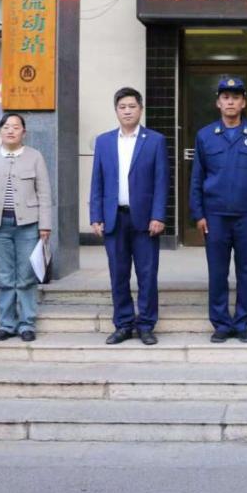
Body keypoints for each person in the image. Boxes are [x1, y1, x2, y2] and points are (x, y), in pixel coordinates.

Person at [190, 77, 247, 343]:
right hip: (215, 216)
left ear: (243, 102)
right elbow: (197, 178)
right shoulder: (205, 136)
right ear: (218, 102)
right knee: (217, 272)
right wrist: (198, 214)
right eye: (226, 97)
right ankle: (222, 324)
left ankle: (243, 323)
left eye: (236, 97)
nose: (230, 102)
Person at [90, 87, 169, 346]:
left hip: (145, 220)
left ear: (141, 109)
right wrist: (96, 215)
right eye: (122, 107)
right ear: (116, 110)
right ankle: (123, 324)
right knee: (118, 274)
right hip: (114, 218)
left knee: (147, 275)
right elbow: (97, 181)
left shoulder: (155, 140)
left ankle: (146, 325)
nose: (127, 111)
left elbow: (161, 181)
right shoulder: (104, 141)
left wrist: (159, 215)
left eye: (132, 106)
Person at [0, 113, 52, 343]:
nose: (11, 131)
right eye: (6, 127)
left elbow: (44, 192)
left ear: (23, 132)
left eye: (16, 127)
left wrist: (45, 224)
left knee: (26, 276)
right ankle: (6, 324)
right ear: (0, 131)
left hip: (28, 225)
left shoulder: (35, 157)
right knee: (5, 277)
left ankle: (27, 324)